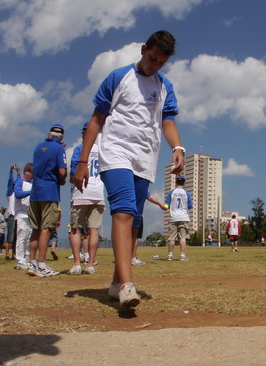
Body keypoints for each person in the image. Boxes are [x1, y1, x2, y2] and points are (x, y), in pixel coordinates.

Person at [74, 30, 184, 309]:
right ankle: (126, 285)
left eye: (160, 63)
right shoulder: (118, 77)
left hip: (145, 158)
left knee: (133, 219)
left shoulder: (164, 86)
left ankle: (115, 283)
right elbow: (97, 119)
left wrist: (178, 148)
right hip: (116, 152)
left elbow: (167, 121)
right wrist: (83, 161)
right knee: (122, 211)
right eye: (152, 58)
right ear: (144, 49)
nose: (154, 65)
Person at [27, 124, 67, 277]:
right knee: (46, 229)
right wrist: (62, 180)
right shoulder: (60, 149)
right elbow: (62, 171)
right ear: (62, 136)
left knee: (35, 229)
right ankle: (42, 264)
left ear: (49, 134)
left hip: (35, 192)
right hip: (50, 192)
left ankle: (32, 263)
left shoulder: (38, 147)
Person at [68, 121, 105, 275]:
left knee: (75, 229)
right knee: (94, 230)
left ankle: (77, 264)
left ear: (83, 133)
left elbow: (74, 174)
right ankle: (90, 265)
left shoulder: (79, 149)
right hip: (98, 193)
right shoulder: (102, 151)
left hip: (81, 192)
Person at [131, 193, 168, 266]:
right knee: (134, 238)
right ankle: (133, 258)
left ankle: (125, 258)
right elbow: (148, 196)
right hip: (136, 214)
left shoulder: (128, 185)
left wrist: (160, 203)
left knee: (127, 237)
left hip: (125, 213)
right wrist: (160, 203)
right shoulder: (140, 185)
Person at [165, 176, 192, 261]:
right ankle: (182, 256)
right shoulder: (187, 193)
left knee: (171, 238)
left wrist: (164, 206)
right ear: (184, 182)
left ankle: (170, 255)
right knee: (182, 237)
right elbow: (190, 206)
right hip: (184, 217)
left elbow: (167, 205)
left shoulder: (171, 192)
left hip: (173, 217)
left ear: (175, 182)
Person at [14, 163, 33, 270]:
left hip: (31, 214)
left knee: (29, 238)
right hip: (21, 214)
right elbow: (17, 194)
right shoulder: (20, 182)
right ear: (26, 172)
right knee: (21, 237)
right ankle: (20, 260)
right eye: (32, 173)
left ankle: (28, 259)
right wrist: (31, 192)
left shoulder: (33, 184)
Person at [5, 164, 20, 260]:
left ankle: (14, 254)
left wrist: (18, 173)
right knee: (10, 237)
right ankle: (6, 254)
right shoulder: (10, 194)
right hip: (11, 216)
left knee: (16, 238)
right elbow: (10, 181)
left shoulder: (18, 193)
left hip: (17, 217)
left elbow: (19, 182)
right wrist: (11, 171)